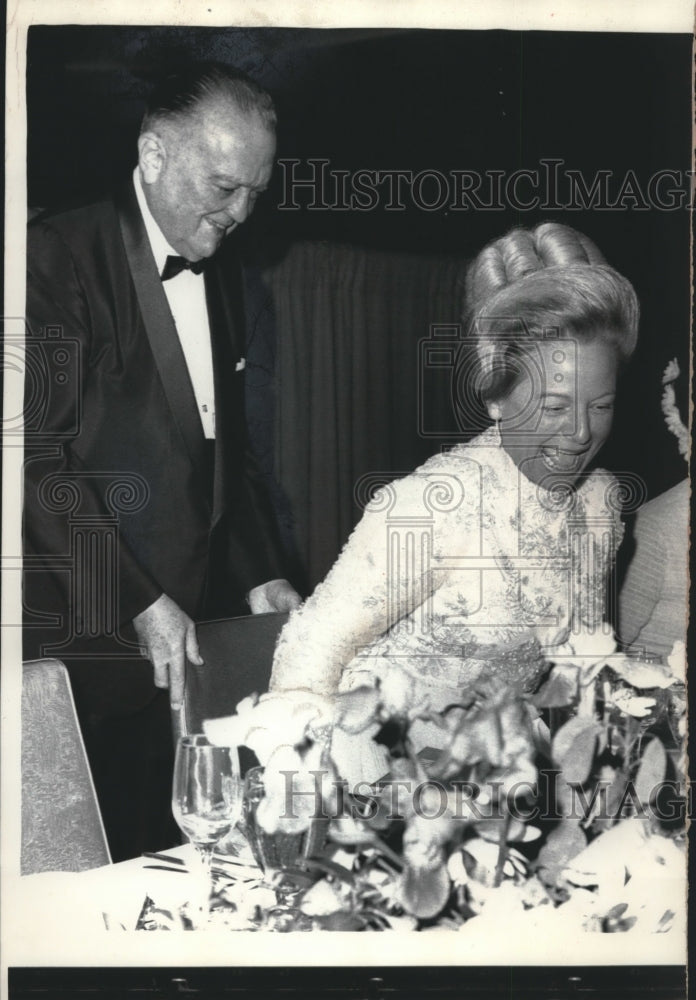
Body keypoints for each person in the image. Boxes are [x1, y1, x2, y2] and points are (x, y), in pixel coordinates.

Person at [23, 63, 301, 859]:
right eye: (223, 187)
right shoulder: (57, 254)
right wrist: (139, 602)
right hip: (81, 644)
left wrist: (260, 573)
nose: (241, 213)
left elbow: (228, 456)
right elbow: (32, 462)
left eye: (256, 191)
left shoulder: (228, 276)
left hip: (188, 656)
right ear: (153, 153)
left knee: (173, 861)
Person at [269, 222, 639, 786]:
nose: (581, 434)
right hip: (374, 779)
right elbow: (309, 651)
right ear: (495, 396)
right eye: (556, 406)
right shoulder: (435, 506)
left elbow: (572, 665)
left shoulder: (600, 503)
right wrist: (305, 807)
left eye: (603, 405)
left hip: (497, 786)